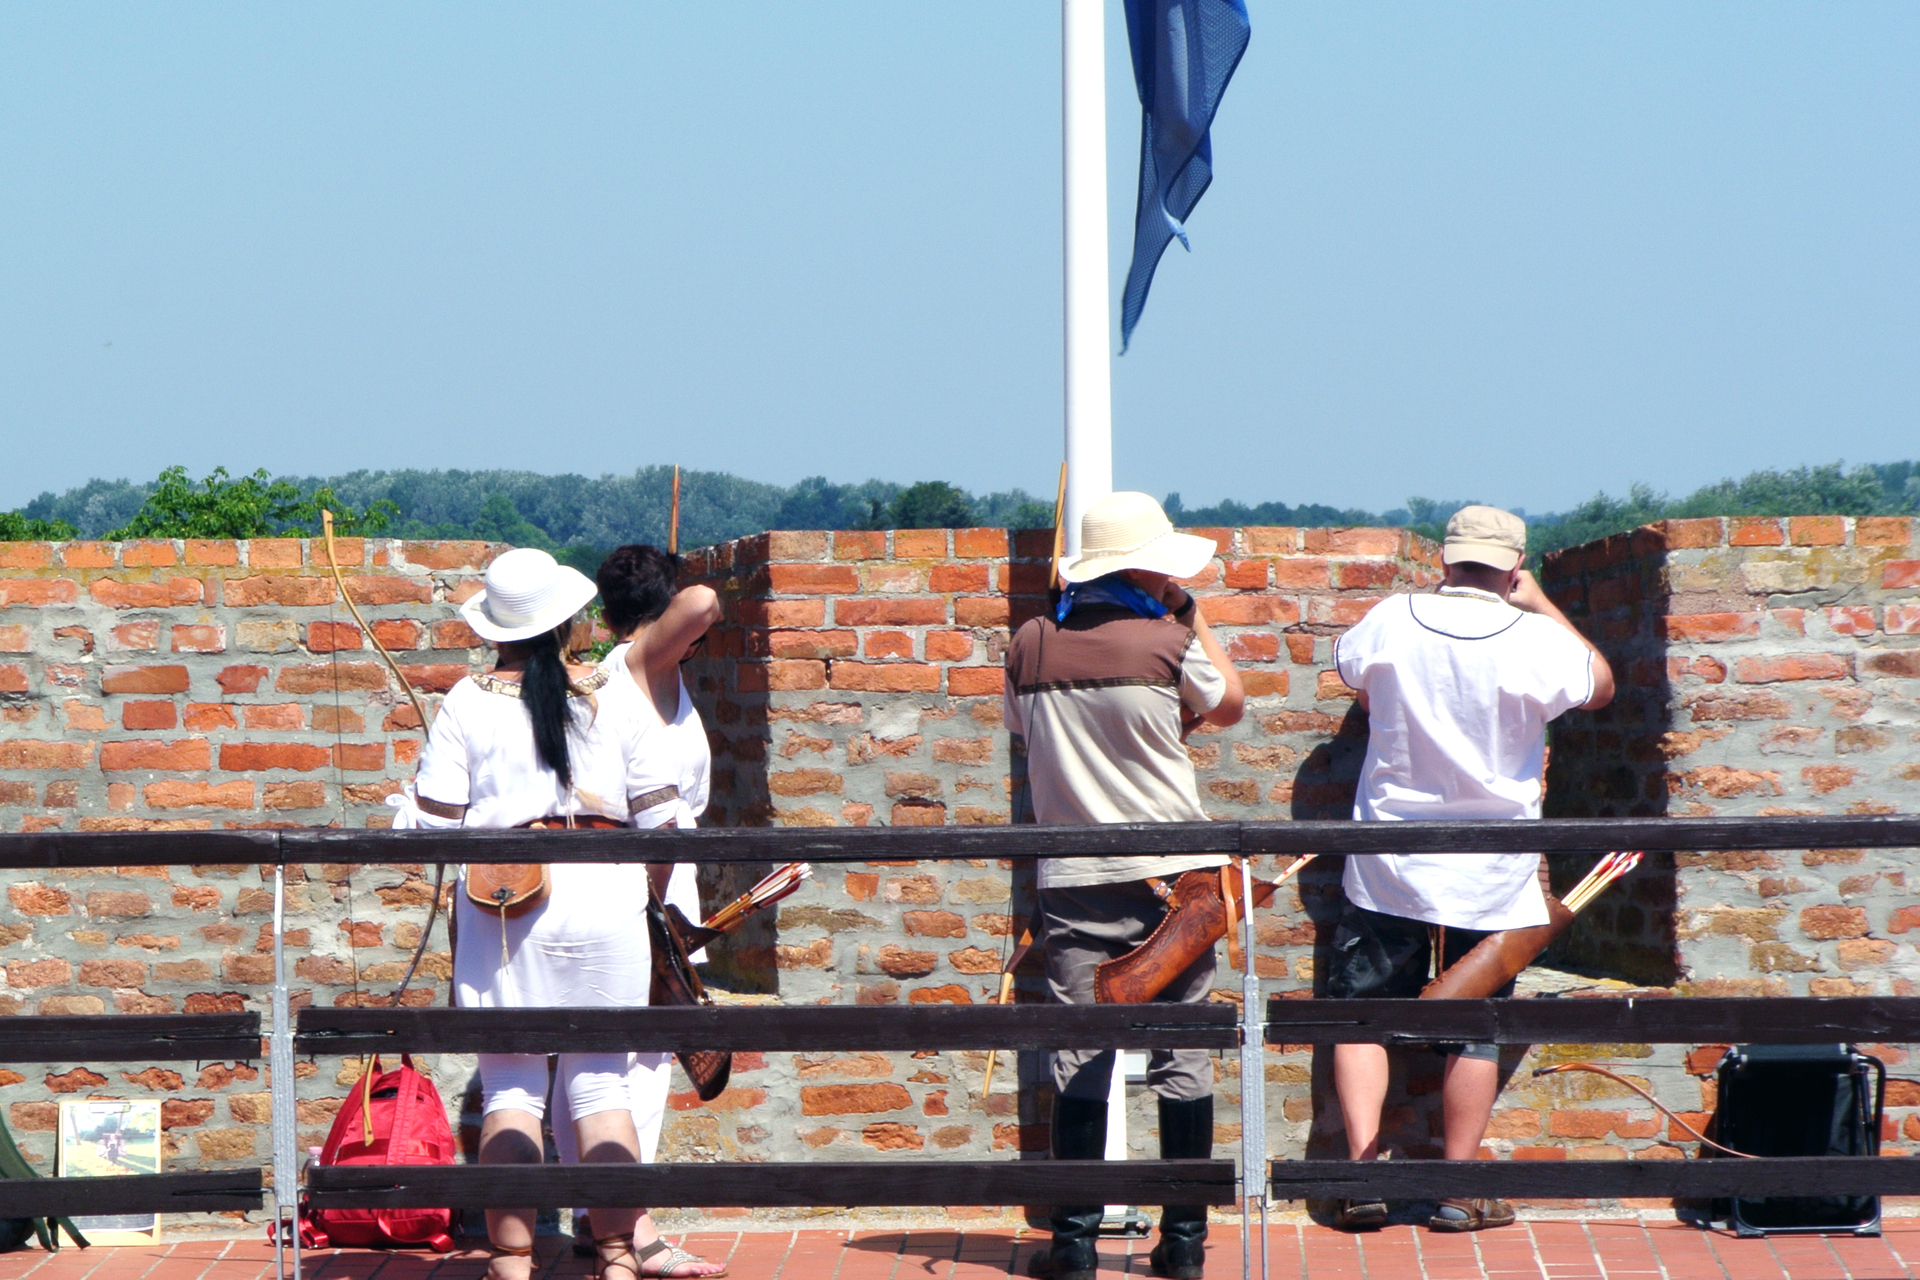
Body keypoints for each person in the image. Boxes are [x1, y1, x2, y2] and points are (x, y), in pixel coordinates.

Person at [1326, 505, 1615, 1234]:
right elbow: (1602, 685)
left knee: (1363, 1016)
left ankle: (1361, 1179)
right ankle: (1457, 1190)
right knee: (1475, 1023)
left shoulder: (1393, 618)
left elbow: (1357, 681)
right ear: (1513, 566)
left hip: (1391, 852)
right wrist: (1540, 603)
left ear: (1445, 560)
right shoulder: (1534, 636)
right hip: (1494, 859)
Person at [391, 547, 665, 1280]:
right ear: (568, 620)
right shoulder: (614, 692)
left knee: (511, 1087)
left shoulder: (468, 699)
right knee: (603, 1082)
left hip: (507, 901)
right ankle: (618, 1256)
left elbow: (433, 825)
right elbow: (664, 820)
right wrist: (651, 906)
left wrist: (401, 811)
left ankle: (511, 1262)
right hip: (609, 892)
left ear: (496, 628)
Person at [1003, 491, 1245, 1280]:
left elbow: (1025, 733)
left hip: (1074, 875)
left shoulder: (1030, 642)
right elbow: (1231, 705)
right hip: (1175, 875)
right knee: (1185, 1054)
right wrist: (1193, 617)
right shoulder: (1170, 640)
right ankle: (1183, 1245)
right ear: (1146, 570)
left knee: (1079, 1053)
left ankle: (1073, 1245)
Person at [551, 544, 725, 1280]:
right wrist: (671, 607)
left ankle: (599, 1219)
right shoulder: (635, 663)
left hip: (653, 880)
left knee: (601, 1059)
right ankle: (629, 1230)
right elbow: (704, 603)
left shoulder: (629, 673)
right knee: (636, 1065)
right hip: (647, 888)